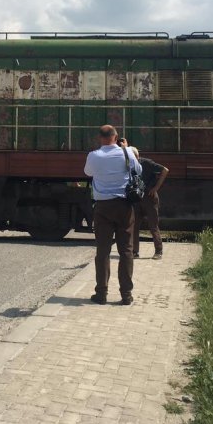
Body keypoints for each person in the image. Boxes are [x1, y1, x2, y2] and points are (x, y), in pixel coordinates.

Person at [83, 125, 142, 305]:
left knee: (103, 250)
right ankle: (126, 295)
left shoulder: (93, 156)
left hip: (102, 207)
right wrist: (126, 149)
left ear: (100, 138)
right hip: (124, 205)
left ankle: (101, 293)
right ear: (116, 137)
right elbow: (138, 171)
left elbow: (88, 173)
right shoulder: (127, 153)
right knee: (126, 250)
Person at [128, 145, 168, 260]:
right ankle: (135, 252)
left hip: (149, 198)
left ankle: (158, 251)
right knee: (134, 225)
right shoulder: (129, 165)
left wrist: (156, 188)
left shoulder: (146, 163)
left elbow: (165, 170)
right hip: (136, 199)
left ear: (136, 155)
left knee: (153, 226)